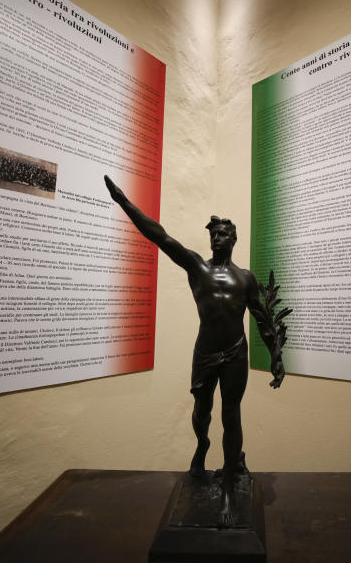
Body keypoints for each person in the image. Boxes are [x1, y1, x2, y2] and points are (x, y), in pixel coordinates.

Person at [104, 175, 284, 524]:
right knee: (202, 413)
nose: (217, 238)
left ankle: (230, 490)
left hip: (235, 353)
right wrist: (124, 203)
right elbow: (160, 236)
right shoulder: (196, 268)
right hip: (204, 353)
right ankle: (202, 445)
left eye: (224, 234)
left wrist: (275, 355)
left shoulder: (245, 278)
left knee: (231, 416)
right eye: (213, 234)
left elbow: (262, 319)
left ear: (234, 239)